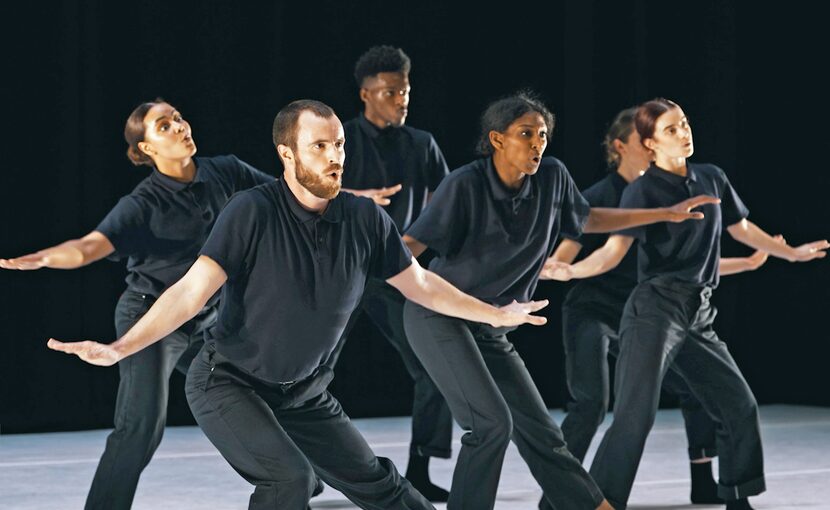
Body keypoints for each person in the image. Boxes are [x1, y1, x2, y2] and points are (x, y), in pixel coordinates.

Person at [47, 99, 553, 510]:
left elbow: (421, 284)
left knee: (384, 487)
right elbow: (189, 292)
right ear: (287, 155)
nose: (334, 156)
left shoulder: (365, 221)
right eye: (319, 147)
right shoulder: (251, 211)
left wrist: (495, 314)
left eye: (339, 145)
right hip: (230, 383)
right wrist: (122, 347)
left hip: (305, 394)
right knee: (290, 481)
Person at [400, 91, 718, 510]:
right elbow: (406, 249)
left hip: (494, 327)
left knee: (543, 435)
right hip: (437, 317)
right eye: (525, 134)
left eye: (543, 135)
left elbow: (586, 218)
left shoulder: (552, 177)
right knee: (491, 426)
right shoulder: (465, 184)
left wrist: (663, 213)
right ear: (497, 140)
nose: (537, 143)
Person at [545, 98, 828, 510]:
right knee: (635, 416)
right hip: (655, 309)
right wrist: (572, 271)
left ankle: (737, 498)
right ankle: (597, 502)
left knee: (739, 405)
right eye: (671, 129)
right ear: (649, 143)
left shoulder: (711, 177)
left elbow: (743, 228)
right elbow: (613, 251)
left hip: (699, 311)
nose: (684, 132)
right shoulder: (642, 191)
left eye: (685, 124)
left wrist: (792, 253)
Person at [0, 99, 273, 510]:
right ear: (146, 149)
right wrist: (43, 257)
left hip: (206, 316)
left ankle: (291, 479)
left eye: (179, 117)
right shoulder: (142, 204)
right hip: (150, 317)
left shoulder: (225, 170)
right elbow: (89, 246)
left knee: (254, 395)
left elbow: (284, 194)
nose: (180, 126)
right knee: (141, 426)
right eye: (165, 126)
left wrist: (347, 196)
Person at [329, 45, 453, 500]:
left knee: (435, 365)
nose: (401, 99)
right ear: (366, 94)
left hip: (397, 270)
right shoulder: (340, 138)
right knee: (310, 370)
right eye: (390, 92)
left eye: (405, 90)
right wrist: (359, 196)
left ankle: (419, 468)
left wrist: (418, 247)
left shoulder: (422, 144)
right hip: (341, 269)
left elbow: (447, 204)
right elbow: (307, 190)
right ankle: (301, 469)